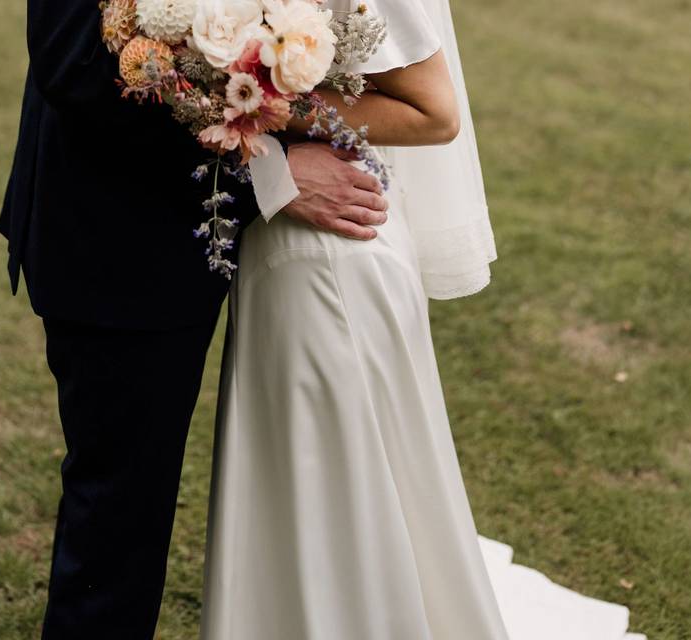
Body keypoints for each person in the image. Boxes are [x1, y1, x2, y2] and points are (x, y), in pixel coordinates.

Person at [201, 0, 646, 638]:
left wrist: (250, 101)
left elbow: (434, 112)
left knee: (341, 484)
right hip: (291, 230)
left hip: (334, 251)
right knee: (314, 484)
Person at [0, 1, 389, 637]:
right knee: (117, 519)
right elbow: (75, 69)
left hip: (242, 244)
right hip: (118, 234)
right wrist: (271, 170)